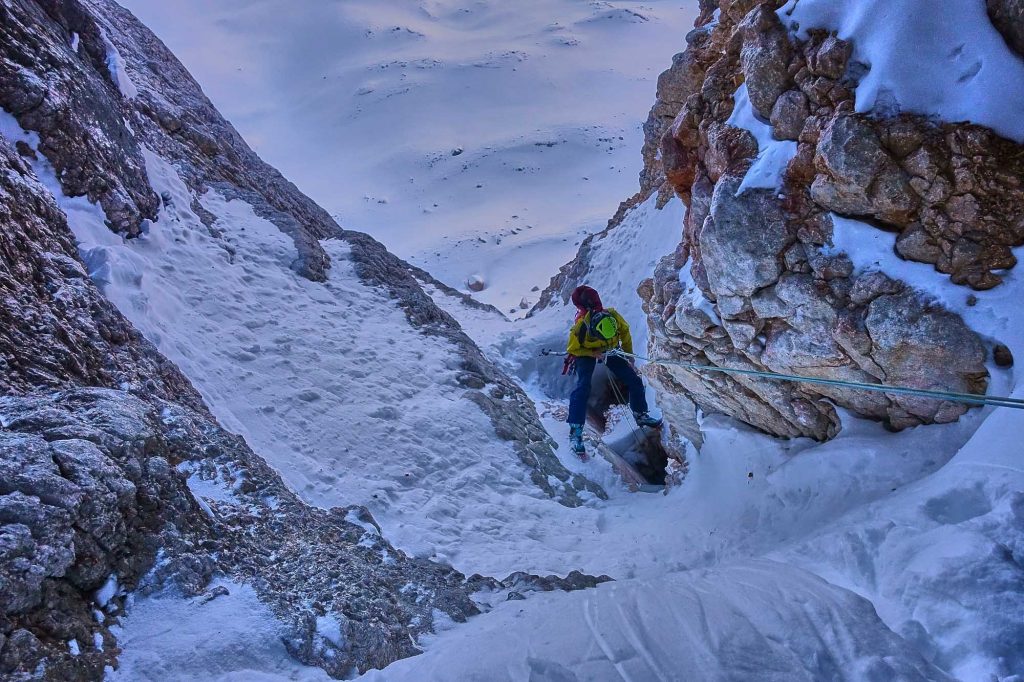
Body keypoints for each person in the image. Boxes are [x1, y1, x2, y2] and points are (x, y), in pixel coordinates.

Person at [564, 285, 661, 458]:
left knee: (634, 380)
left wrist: (629, 356)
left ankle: (640, 414)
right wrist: (593, 353)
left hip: (610, 349)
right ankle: (575, 431)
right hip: (586, 351)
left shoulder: (613, 317)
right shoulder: (580, 328)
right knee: (583, 387)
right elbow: (573, 349)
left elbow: (625, 334)